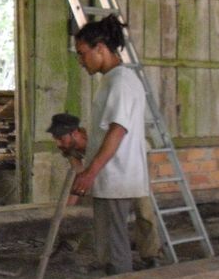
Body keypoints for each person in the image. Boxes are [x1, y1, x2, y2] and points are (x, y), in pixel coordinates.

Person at [69, 16, 152, 275]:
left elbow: (117, 130)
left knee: (115, 250)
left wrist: (90, 172)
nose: (81, 62)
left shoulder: (121, 82)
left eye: (83, 54)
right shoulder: (115, 80)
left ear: (100, 48)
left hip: (116, 176)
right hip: (112, 176)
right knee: (108, 245)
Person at [46, 112, 161, 270]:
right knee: (84, 204)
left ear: (75, 133)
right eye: (56, 139)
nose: (58, 143)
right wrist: (66, 211)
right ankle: (68, 245)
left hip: (134, 159)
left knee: (143, 206)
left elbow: (112, 162)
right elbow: (78, 177)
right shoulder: (70, 148)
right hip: (105, 165)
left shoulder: (98, 139)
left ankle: (150, 255)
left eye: (61, 138)